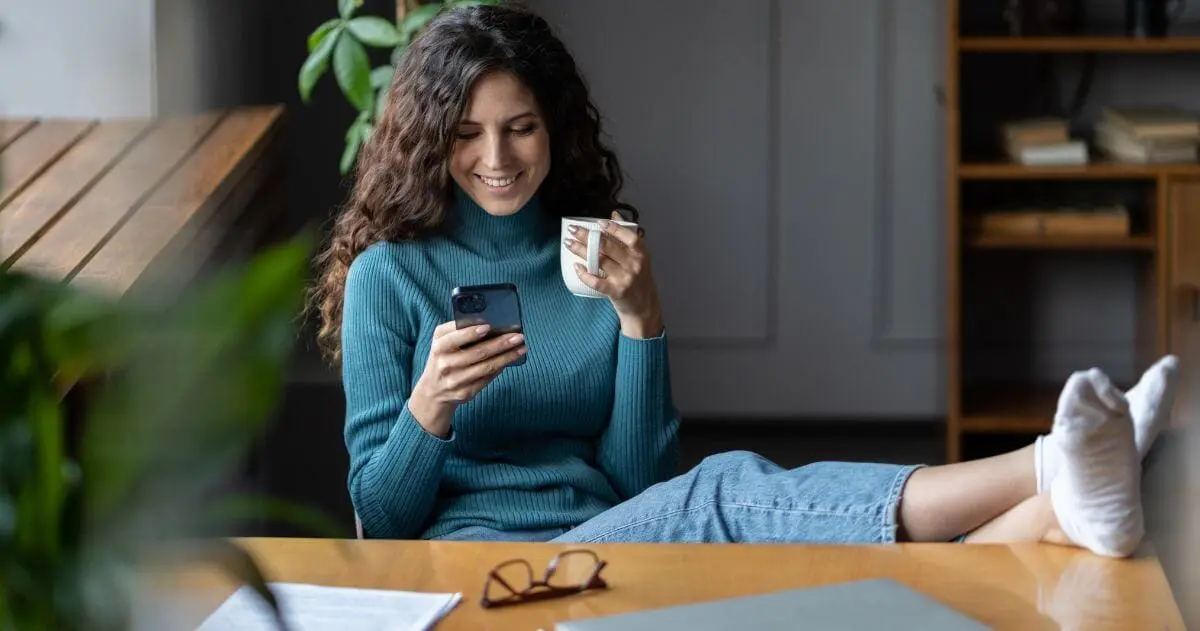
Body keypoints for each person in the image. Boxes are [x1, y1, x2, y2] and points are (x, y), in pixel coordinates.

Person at [310, 2, 1181, 557]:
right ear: (430, 140)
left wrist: (642, 322)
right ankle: (1048, 464)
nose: (496, 159)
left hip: (609, 542)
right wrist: (429, 407)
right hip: (489, 569)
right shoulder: (394, 277)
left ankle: (1069, 508)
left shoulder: (594, 255)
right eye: (466, 132)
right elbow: (381, 523)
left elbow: (641, 485)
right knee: (728, 490)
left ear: (555, 128)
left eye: (521, 127)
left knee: (746, 514)